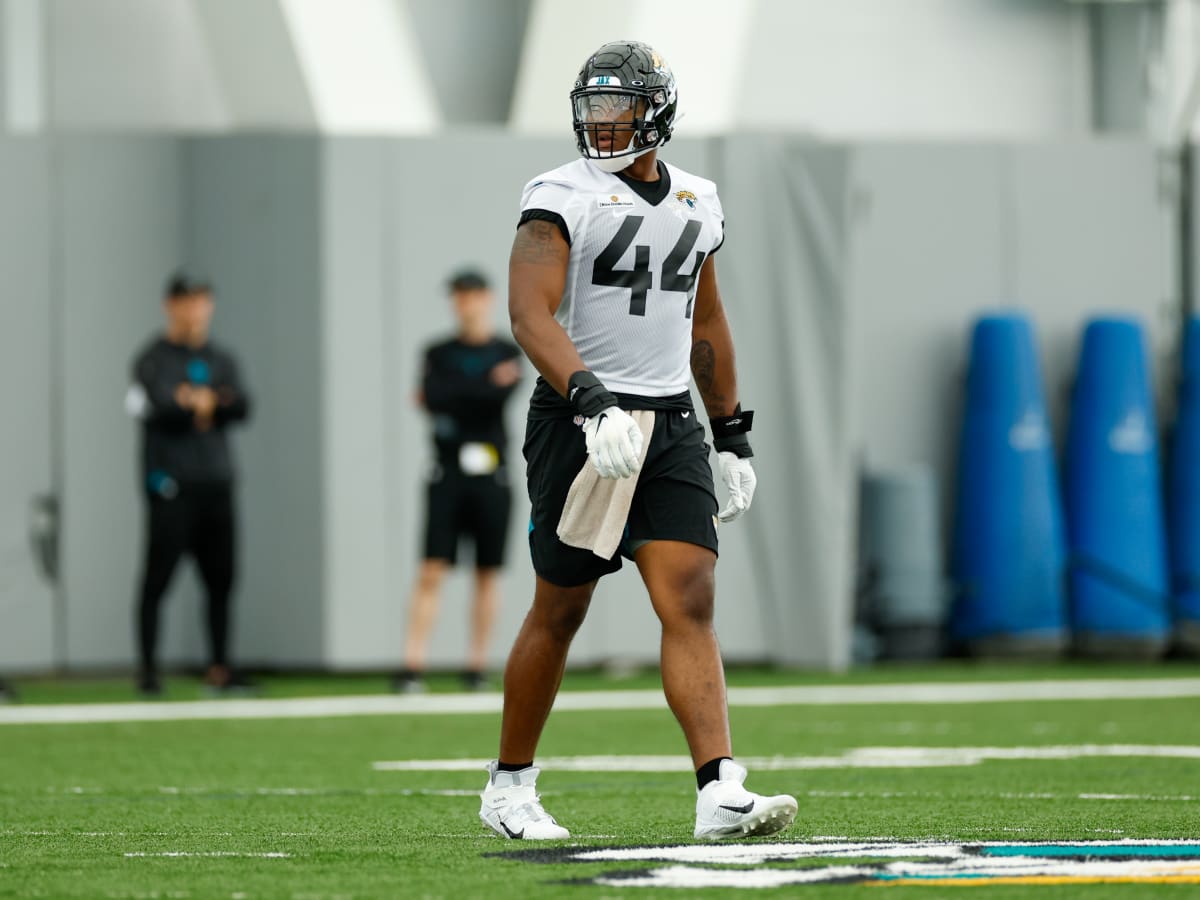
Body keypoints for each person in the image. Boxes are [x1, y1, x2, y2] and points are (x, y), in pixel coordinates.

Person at [478, 41, 798, 841]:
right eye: (593, 109)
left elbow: (707, 319)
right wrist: (588, 400)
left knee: (689, 596)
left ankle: (719, 787)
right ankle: (509, 786)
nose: (604, 124)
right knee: (562, 606)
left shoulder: (699, 199)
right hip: (579, 416)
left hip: (668, 420)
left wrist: (730, 433)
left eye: (618, 109)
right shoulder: (560, 194)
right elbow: (528, 312)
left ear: (657, 111)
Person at [395, 270, 522, 694]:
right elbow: (433, 398)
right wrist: (481, 387)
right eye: (457, 296)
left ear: (486, 298)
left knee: (488, 571)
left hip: (491, 472)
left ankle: (476, 665)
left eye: (471, 295)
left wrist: (462, 393)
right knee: (432, 567)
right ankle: (412, 664)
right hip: (446, 471)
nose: (464, 304)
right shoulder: (438, 351)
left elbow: (492, 398)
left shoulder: (506, 349)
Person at [126, 273, 252, 697]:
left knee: (221, 581)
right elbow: (163, 406)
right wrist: (206, 403)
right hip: (171, 486)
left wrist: (200, 401)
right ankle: (148, 671)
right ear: (170, 305)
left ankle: (220, 668)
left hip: (216, 483)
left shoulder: (222, 358)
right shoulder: (152, 358)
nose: (195, 310)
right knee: (157, 579)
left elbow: (242, 405)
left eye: (202, 301)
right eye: (187, 301)